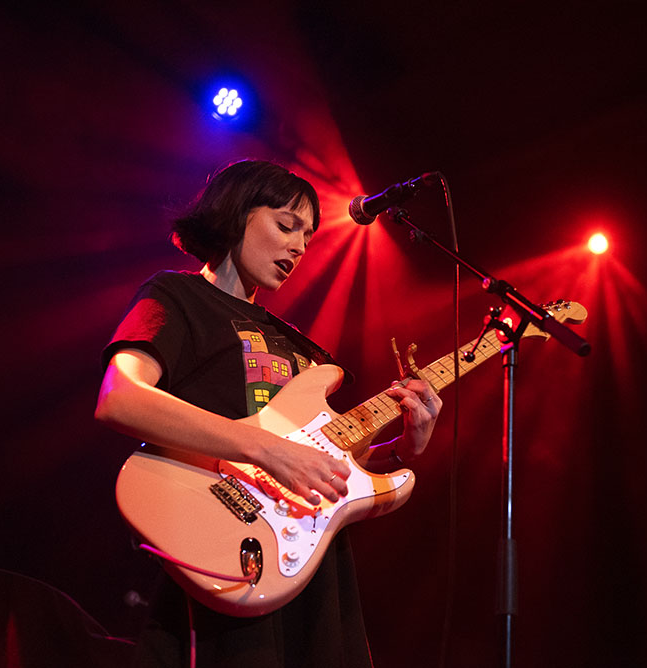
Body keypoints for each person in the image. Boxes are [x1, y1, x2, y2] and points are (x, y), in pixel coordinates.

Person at [95, 159, 442, 667]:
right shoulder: (178, 296)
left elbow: (332, 471)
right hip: (217, 541)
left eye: (308, 235)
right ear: (237, 214)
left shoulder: (309, 352)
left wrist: (405, 444)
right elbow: (120, 397)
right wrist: (267, 449)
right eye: (286, 225)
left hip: (309, 567)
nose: (300, 247)